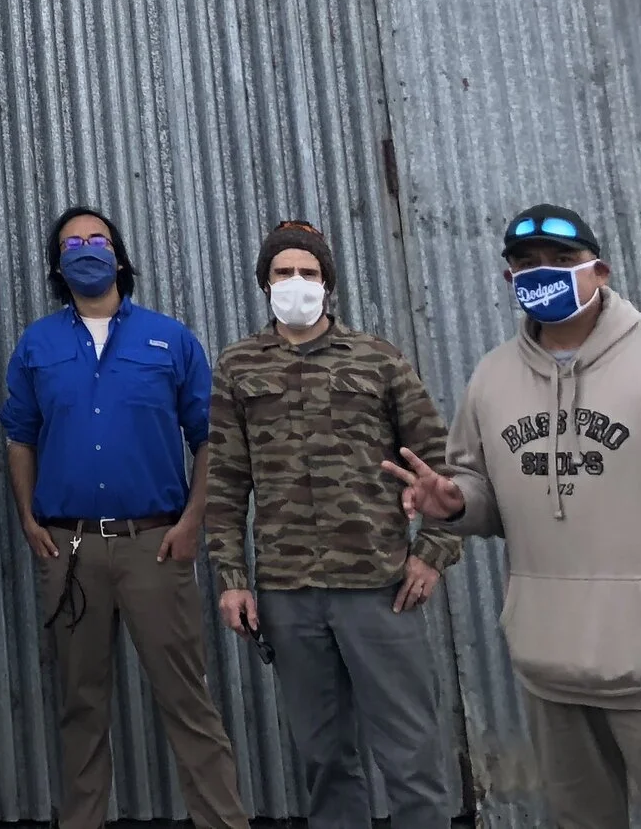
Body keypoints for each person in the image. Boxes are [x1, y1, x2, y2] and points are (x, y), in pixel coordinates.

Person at [387, 207, 641, 829]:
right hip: (553, 674)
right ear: (508, 276)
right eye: (525, 263)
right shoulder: (492, 378)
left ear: (599, 269)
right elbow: (485, 489)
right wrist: (458, 504)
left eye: (562, 262)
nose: (541, 273)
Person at [0, 207, 248, 829]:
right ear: (58, 263)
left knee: (187, 701)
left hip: (156, 547)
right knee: (80, 708)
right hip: (71, 551)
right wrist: (30, 519)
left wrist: (193, 521)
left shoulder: (170, 339)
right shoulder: (38, 345)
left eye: (97, 239)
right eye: (72, 242)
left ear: (119, 254)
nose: (86, 249)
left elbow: (211, 437)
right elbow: (20, 437)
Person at [206, 219, 460, 829]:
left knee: (410, 756)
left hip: (378, 588)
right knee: (324, 759)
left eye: (309, 273)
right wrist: (232, 577)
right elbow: (224, 479)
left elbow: (442, 465)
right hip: (289, 594)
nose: (297, 283)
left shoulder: (378, 359)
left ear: (329, 283)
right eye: (283, 273)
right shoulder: (239, 366)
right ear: (264, 284)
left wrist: (434, 552)